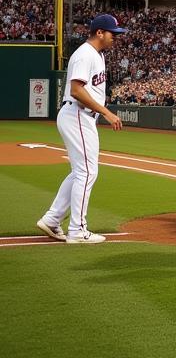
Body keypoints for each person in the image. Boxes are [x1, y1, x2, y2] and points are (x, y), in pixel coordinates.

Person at [38, 14, 127, 244]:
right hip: (77, 113)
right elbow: (77, 90)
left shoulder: (97, 55)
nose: (114, 38)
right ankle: (78, 230)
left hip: (82, 116)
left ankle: (52, 219)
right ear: (99, 32)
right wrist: (106, 112)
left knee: (81, 172)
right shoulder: (84, 54)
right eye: (112, 34)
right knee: (87, 172)